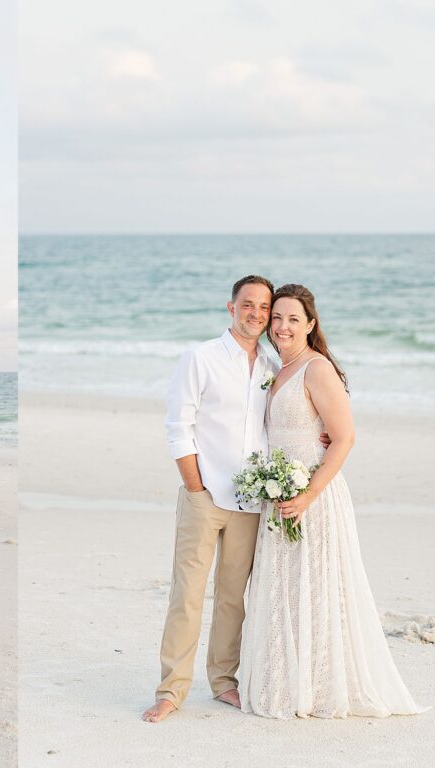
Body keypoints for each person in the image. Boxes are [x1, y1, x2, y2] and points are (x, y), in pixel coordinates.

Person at [238, 284, 423, 718]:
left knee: (316, 590)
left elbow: (344, 438)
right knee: (284, 590)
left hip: (312, 496)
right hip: (277, 493)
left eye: (293, 319)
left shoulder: (316, 368)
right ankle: (284, 683)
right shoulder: (273, 367)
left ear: (311, 325)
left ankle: (318, 689)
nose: (282, 326)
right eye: (277, 317)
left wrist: (307, 495)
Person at [143, 275, 281, 722]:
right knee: (187, 594)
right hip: (204, 495)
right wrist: (195, 488)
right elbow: (177, 426)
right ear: (231, 307)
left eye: (264, 307)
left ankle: (223, 682)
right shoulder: (199, 357)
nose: (256, 313)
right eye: (248, 304)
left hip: (249, 503)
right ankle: (171, 690)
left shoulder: (272, 367)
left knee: (231, 598)